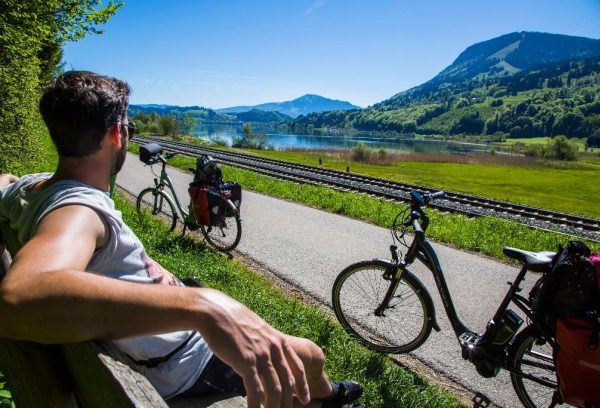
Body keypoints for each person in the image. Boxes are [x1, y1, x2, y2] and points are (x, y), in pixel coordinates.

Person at [0, 71, 365, 408]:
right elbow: (20, 297)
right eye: (130, 126)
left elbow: (4, 179)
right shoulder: (79, 212)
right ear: (116, 135)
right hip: (187, 364)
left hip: (168, 340)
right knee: (311, 355)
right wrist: (203, 307)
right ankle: (331, 399)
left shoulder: (31, 187)